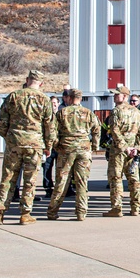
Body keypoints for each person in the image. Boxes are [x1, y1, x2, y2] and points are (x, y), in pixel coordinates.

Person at [0, 69, 54, 226]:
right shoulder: (44, 99)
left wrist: (9, 137)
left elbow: (3, 122)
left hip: (15, 143)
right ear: (41, 83)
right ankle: (25, 213)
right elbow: (49, 126)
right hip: (34, 144)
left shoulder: (14, 96)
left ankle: (0, 213)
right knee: (30, 180)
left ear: (27, 80)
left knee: (8, 178)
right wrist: (48, 146)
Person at [47, 89, 100, 221]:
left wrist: (56, 145)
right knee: (82, 181)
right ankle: (81, 213)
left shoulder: (62, 112)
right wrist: (94, 146)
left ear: (69, 98)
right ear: (80, 99)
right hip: (84, 149)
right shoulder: (88, 113)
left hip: (67, 148)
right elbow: (96, 130)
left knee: (62, 180)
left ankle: (53, 211)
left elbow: (52, 131)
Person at [104, 85, 140, 217]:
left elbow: (114, 130)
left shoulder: (116, 111)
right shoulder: (137, 112)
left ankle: (117, 207)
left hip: (119, 150)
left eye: (117, 94)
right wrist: (137, 148)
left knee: (116, 178)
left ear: (125, 96)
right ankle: (135, 207)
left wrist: (124, 147)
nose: (115, 97)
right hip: (132, 149)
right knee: (133, 178)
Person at [41, 94, 62, 199]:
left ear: (58, 104)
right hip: (48, 146)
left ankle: (60, 189)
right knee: (47, 168)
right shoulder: (45, 116)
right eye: (51, 103)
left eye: (55, 103)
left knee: (60, 169)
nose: (53, 105)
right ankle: (48, 188)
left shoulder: (62, 115)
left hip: (59, 146)